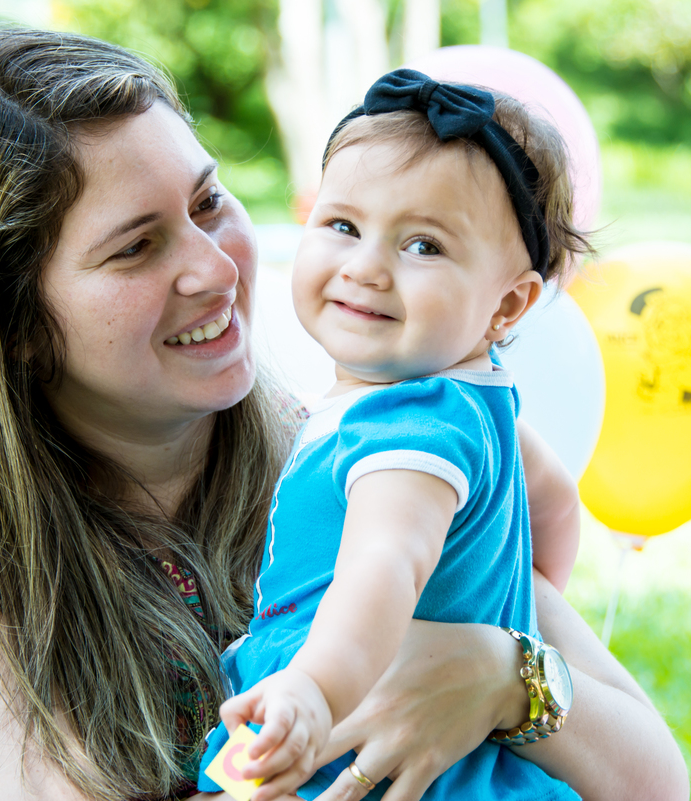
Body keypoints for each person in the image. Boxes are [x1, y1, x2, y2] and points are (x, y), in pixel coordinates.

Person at [0, 28, 689, 801]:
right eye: (136, 246)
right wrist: (272, 759)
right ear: (15, 329)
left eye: (208, 203)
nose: (215, 267)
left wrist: (501, 675)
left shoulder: (363, 449)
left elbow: (658, 778)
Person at [196, 70, 591, 801]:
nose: (367, 267)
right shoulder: (484, 400)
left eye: (423, 246)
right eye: (343, 226)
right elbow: (558, 501)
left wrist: (315, 688)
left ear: (508, 303)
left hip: (345, 728)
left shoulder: (407, 430)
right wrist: (519, 596)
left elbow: (386, 562)